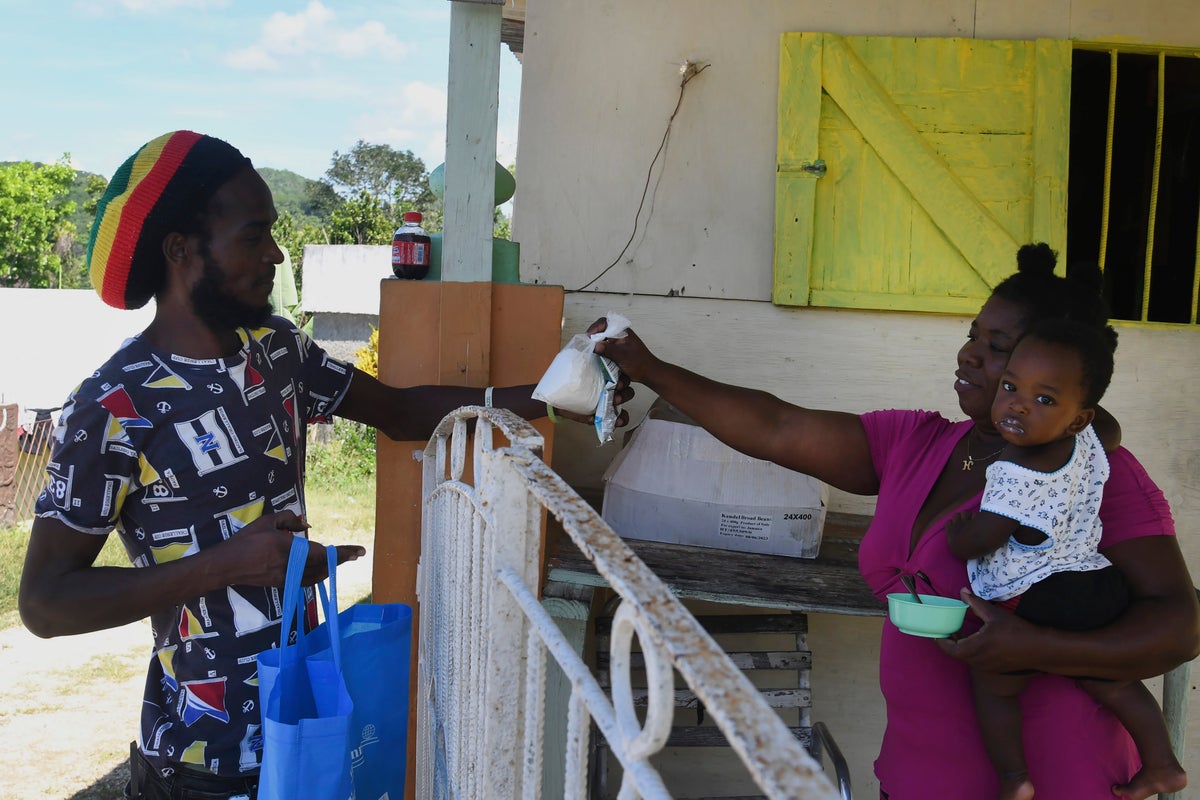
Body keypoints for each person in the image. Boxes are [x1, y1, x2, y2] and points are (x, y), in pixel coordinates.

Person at [17, 130, 627, 800]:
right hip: (200, 760)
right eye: (255, 238)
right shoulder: (112, 404)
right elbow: (46, 604)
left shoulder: (277, 351)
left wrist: (548, 398)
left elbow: (398, 411)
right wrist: (228, 564)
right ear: (181, 250)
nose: (277, 254)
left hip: (305, 719)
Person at [589, 242, 1199, 800]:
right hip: (916, 776)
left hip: (1064, 776)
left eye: (997, 347)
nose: (969, 353)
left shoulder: (1091, 475)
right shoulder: (919, 441)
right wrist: (649, 368)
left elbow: (1179, 628)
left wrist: (1037, 647)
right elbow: (778, 428)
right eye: (973, 335)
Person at [944, 317, 1186, 800]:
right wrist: (1064, 406)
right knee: (1112, 681)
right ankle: (1163, 764)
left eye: (1044, 400)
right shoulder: (1089, 440)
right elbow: (1110, 427)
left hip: (1037, 592)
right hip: (1091, 582)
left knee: (992, 683)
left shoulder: (1017, 469)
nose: (1017, 405)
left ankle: (1014, 778)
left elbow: (983, 538)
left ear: (1077, 417)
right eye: (1011, 387)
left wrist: (960, 534)